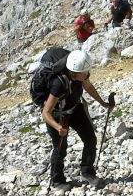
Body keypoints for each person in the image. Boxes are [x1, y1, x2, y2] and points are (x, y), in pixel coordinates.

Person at [41, 50, 115, 190]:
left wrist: (103, 103)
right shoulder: (59, 83)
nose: (87, 73)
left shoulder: (81, 74)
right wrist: (58, 127)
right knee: (60, 148)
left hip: (75, 108)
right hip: (58, 115)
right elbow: (46, 113)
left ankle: (87, 172)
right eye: (85, 72)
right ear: (74, 72)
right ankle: (57, 180)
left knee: (90, 139)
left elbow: (88, 87)